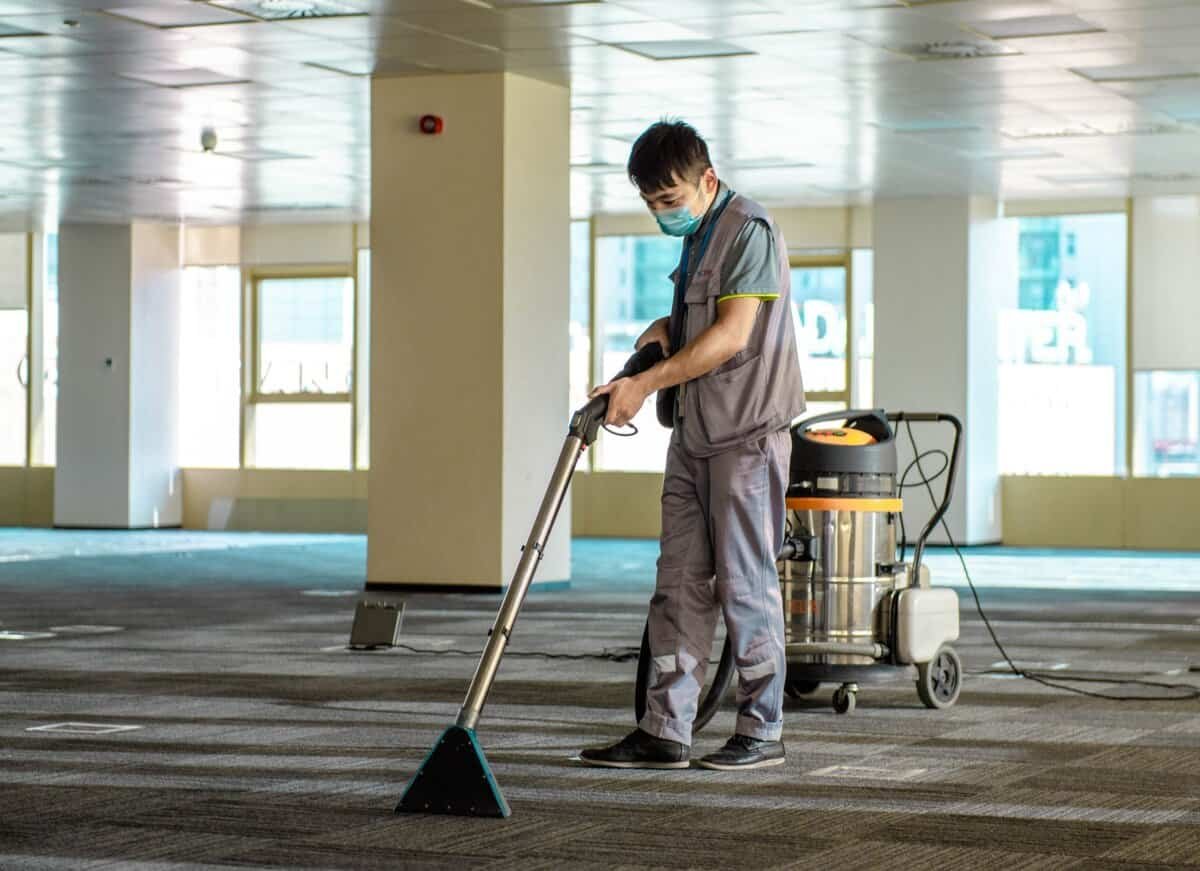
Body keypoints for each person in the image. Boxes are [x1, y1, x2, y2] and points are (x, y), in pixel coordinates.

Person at [578, 120, 806, 771]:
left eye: (669, 200)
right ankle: (665, 728)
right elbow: (682, 327)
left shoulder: (749, 231)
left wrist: (647, 382)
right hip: (694, 437)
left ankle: (763, 728)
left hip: (747, 437)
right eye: (651, 203)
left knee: (746, 585)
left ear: (707, 180)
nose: (661, 213)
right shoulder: (701, 239)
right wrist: (635, 364)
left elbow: (731, 335)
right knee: (677, 585)